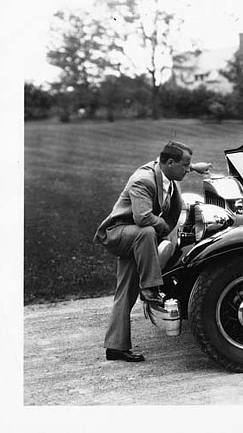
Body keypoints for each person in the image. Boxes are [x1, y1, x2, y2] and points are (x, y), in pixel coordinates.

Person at [94, 141, 210, 362]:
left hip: (136, 240)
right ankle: (150, 288)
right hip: (119, 234)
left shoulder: (166, 170)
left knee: (125, 290)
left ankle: (115, 347)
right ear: (169, 162)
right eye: (185, 165)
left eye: (189, 165)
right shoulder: (143, 181)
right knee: (147, 231)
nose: (187, 169)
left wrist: (196, 167)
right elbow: (142, 217)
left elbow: (178, 163)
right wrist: (165, 229)